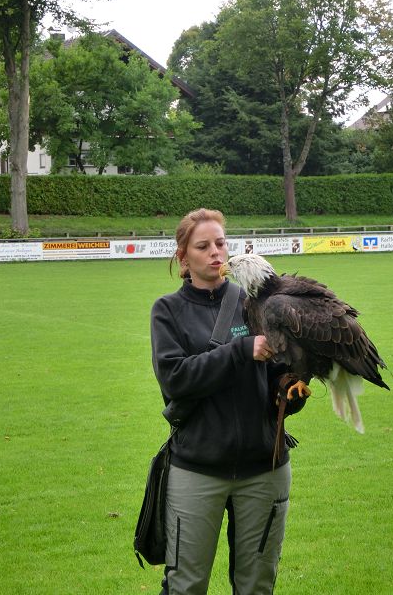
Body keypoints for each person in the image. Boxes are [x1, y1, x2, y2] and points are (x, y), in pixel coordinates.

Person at [150, 208, 306, 594]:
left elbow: (276, 374)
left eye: (220, 243)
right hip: (197, 469)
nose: (215, 252)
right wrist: (239, 351)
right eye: (203, 246)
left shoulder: (256, 303)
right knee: (186, 585)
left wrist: (290, 388)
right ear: (183, 257)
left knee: (257, 585)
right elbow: (175, 379)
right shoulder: (168, 311)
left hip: (264, 467)